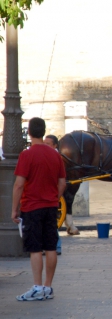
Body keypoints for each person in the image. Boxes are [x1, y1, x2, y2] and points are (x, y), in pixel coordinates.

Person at [12, 118, 66, 301]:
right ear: (43, 132)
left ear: (29, 132)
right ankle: (48, 287)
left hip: (32, 206)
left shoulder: (26, 155)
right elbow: (62, 183)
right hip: (51, 207)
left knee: (35, 248)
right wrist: (54, 198)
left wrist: (14, 209)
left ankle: (36, 287)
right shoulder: (55, 155)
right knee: (50, 246)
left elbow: (19, 185)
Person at [43, 135, 62, 255]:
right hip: (49, 195)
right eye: (44, 143)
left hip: (50, 195)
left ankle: (57, 246)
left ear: (55, 146)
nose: (45, 146)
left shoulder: (55, 157)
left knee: (50, 224)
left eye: (48, 144)